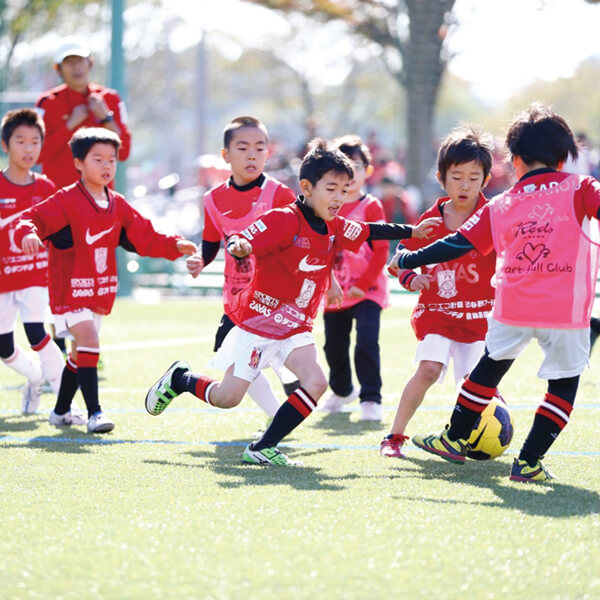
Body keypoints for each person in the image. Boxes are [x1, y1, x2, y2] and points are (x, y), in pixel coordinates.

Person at [145, 138, 438, 466]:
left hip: (295, 325)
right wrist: (240, 246)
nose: (340, 198)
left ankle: (262, 447)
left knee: (316, 382)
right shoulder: (284, 219)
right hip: (260, 323)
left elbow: (369, 230)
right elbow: (247, 239)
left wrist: (414, 232)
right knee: (227, 398)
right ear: (307, 187)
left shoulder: (334, 225)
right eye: (332, 189)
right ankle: (181, 379)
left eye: (345, 190)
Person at [390, 103, 600, 482]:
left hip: (511, 307)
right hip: (565, 311)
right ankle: (528, 462)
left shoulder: (502, 203)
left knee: (486, 371)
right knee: (564, 384)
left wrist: (410, 258)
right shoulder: (582, 188)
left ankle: (453, 439)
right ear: (563, 156)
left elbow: (455, 244)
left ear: (515, 159)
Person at [15, 128, 196, 433]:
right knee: (89, 341)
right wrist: (28, 234)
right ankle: (95, 413)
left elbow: (145, 236)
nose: (106, 165)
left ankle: (60, 412)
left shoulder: (118, 203)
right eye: (97, 158)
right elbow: (30, 219)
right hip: (68, 290)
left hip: (100, 289)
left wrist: (175, 245)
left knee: (78, 355)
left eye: (111, 159)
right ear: (78, 163)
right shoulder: (67, 199)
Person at [380, 124, 496, 457]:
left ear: (486, 180)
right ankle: (394, 437)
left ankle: (469, 438)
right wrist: (410, 279)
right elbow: (399, 261)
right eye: (457, 176)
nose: (465, 185)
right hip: (437, 313)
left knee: (474, 386)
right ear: (441, 177)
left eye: (474, 178)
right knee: (429, 369)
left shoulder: (493, 218)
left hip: (478, 320)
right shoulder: (429, 221)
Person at [196, 115, 299, 418]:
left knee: (282, 360)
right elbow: (210, 241)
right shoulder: (212, 199)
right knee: (235, 360)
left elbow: (300, 238)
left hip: (276, 297)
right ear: (225, 155)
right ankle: (276, 419)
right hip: (238, 300)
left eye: (259, 147)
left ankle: (290, 382)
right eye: (243, 148)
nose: (252, 154)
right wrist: (199, 261)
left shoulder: (280, 195)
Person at [319, 134, 390, 421]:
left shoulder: (371, 206)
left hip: (367, 290)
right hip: (334, 290)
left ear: (367, 171)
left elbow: (381, 250)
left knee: (366, 342)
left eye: (357, 166)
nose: (351, 173)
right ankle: (341, 389)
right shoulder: (324, 206)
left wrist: (363, 285)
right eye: (344, 166)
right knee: (333, 345)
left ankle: (371, 398)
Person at [0, 108, 65, 413]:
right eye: (20, 141)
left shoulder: (46, 188)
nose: (28, 149)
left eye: (35, 141)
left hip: (35, 277)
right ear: (5, 145)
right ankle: (36, 376)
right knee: (4, 347)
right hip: (3, 279)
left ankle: (64, 405)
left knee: (37, 333)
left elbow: (57, 233)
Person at [35, 36, 131, 190]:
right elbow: (37, 156)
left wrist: (106, 118)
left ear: (90, 63)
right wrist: (69, 125)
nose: (76, 67)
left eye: (80, 61)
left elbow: (124, 152)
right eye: (69, 62)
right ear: (58, 69)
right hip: (57, 201)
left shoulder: (111, 99)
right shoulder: (46, 103)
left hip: (99, 203)